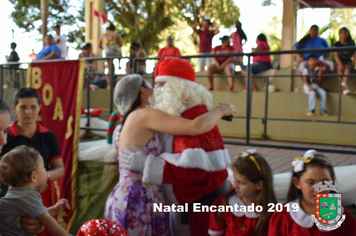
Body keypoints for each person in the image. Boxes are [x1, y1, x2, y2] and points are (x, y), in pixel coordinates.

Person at [104, 73, 236, 236]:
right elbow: (196, 127)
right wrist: (221, 109)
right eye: (154, 86)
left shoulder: (130, 117)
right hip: (139, 196)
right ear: (143, 91)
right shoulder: (145, 115)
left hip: (135, 194)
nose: (158, 90)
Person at [0, 87, 64, 236]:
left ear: (39, 108)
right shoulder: (10, 135)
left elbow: (59, 168)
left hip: (40, 191)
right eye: (23, 107)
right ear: (15, 108)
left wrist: (41, 179)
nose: (28, 112)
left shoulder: (47, 136)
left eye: (33, 107)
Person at [268, 149, 356, 235]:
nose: (318, 189)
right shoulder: (282, 216)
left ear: (332, 182)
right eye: (311, 183)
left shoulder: (344, 218)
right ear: (297, 182)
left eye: (324, 182)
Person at [0, 146, 71, 236]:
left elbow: (39, 215)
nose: (46, 171)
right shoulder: (27, 195)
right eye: (44, 168)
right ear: (33, 176)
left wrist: (55, 209)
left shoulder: (15, 193)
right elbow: (47, 220)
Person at [209, 150, 276, 236]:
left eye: (241, 182)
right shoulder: (223, 203)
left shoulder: (271, 212)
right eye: (235, 179)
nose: (235, 185)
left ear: (259, 185)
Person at [99, 23, 123, 90]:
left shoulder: (102, 35)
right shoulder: (116, 35)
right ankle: (119, 64)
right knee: (119, 55)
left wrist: (105, 48)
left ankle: (109, 85)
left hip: (107, 53)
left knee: (109, 69)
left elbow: (99, 45)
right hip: (116, 53)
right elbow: (121, 44)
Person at [334, 27, 356, 95]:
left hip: (348, 62)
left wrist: (353, 62)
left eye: (345, 32)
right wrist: (340, 64)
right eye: (342, 32)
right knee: (339, 68)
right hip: (339, 62)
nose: (344, 34)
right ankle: (343, 86)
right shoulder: (337, 44)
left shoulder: (351, 43)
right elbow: (336, 55)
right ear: (339, 34)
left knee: (347, 67)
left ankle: (343, 84)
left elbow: (354, 54)